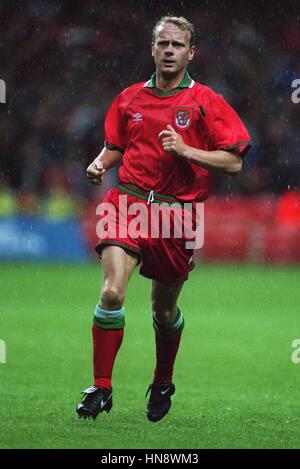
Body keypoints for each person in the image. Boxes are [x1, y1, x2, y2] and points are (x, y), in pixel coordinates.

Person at [76, 16, 251, 422]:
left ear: (192, 53)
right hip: (129, 202)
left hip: (177, 214)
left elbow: (234, 163)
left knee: (163, 313)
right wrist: (100, 163)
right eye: (163, 44)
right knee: (111, 295)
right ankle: (101, 387)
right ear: (152, 49)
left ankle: (162, 379)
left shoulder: (208, 102)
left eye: (178, 44)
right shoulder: (128, 99)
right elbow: (116, 146)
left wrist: (188, 151)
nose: (169, 50)